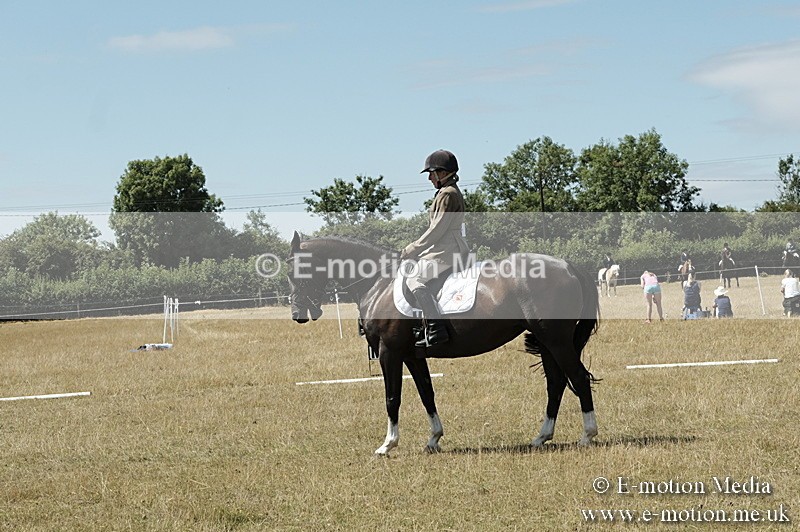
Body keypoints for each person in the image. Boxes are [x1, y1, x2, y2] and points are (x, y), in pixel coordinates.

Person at [401, 149, 469, 347]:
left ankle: (435, 329)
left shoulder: (447, 194)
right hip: (444, 246)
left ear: (443, 173)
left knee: (414, 279)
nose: (430, 177)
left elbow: (437, 230)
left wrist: (411, 249)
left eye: (432, 173)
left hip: (447, 249)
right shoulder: (446, 192)